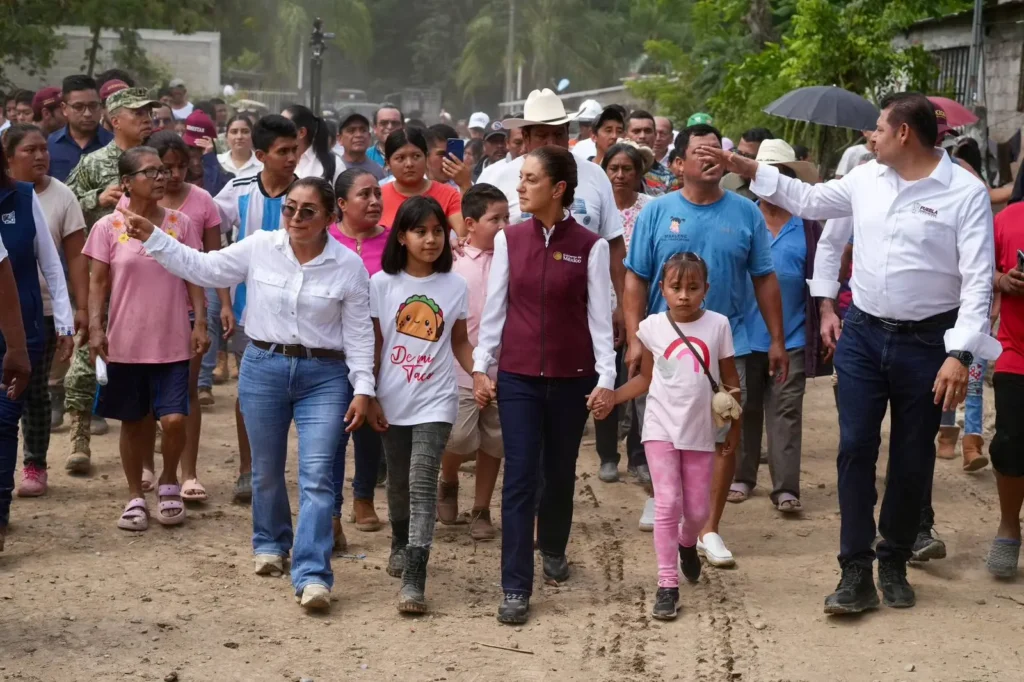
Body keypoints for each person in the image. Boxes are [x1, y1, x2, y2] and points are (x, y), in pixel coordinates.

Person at [697, 92, 1001, 613]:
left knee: (911, 456)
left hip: (930, 343)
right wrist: (743, 165)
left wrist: (959, 354)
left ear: (904, 133)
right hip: (863, 334)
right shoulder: (865, 179)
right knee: (855, 449)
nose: (870, 135)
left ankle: (894, 558)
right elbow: (810, 201)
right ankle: (855, 569)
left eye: (879, 127)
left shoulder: (964, 194)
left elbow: (976, 285)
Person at [125, 176, 374, 612]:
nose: (296, 217)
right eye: (290, 208)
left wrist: (364, 388)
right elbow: (204, 267)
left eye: (308, 211)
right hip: (263, 366)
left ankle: (313, 573)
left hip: (326, 374)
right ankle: (270, 542)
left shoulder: (349, 267)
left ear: (330, 218)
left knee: (317, 474)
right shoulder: (260, 246)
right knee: (265, 468)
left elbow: (358, 335)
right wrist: (153, 236)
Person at [625, 123, 786, 567]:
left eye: (718, 150)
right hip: (666, 350)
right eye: (700, 151)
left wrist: (776, 339)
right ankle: (667, 502)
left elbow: (764, 278)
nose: (711, 157)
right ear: (678, 164)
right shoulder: (657, 213)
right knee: (666, 433)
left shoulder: (747, 213)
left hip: (728, 344)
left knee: (722, 434)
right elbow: (636, 276)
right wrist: (636, 338)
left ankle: (709, 528)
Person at [473, 146, 616, 625]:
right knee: (519, 479)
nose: (520, 187)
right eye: (521, 178)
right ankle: (515, 585)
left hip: (573, 379)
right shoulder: (510, 240)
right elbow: (495, 310)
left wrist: (607, 376)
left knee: (558, 471)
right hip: (517, 378)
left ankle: (553, 545)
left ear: (557, 189)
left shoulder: (591, 246)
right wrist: (482, 365)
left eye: (530, 179)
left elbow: (599, 320)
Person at [593, 252, 741, 620]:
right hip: (659, 428)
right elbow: (644, 379)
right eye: (675, 288)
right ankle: (667, 584)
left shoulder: (719, 325)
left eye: (693, 288)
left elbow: (731, 385)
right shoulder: (652, 327)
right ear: (662, 289)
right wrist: (613, 397)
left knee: (697, 510)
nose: (684, 296)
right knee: (667, 502)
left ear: (706, 289)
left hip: (701, 433)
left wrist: (734, 429)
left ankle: (687, 543)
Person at [82, 146, 206, 531]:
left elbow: (193, 274)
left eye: (162, 171)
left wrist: (200, 321)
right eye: (149, 172)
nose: (160, 177)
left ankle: (169, 479)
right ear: (126, 182)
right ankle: (135, 494)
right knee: (134, 422)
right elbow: (97, 282)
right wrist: (97, 328)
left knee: (172, 420)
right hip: (126, 341)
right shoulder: (106, 227)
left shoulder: (179, 224)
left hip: (172, 340)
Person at [372, 196, 474, 614]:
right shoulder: (381, 284)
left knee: (421, 482)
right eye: (420, 231)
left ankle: (416, 576)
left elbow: (460, 341)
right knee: (397, 481)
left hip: (436, 400)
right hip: (391, 398)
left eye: (438, 231)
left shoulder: (455, 285)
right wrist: (369, 393)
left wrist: (481, 372)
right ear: (402, 237)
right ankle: (399, 541)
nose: (431, 239)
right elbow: (375, 343)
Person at [477, 89, 626, 344]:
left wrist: (622, 306)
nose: (552, 142)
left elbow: (614, 244)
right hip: (519, 314)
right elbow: (478, 242)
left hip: (586, 313)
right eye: (542, 135)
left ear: (569, 132)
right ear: (525, 137)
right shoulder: (498, 178)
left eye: (559, 133)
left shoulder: (595, 175)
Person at [131, 131, 231, 502]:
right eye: (163, 167)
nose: (172, 174)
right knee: (142, 396)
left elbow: (213, 261)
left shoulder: (202, 202)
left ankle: (188, 472)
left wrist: (221, 306)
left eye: (178, 166)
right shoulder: (130, 207)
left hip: (187, 310)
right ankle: (144, 466)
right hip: (141, 312)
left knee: (186, 391)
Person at [64, 87, 157, 473]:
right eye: (138, 113)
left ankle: (154, 433)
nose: (147, 118)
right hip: (104, 269)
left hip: (150, 271)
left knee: (154, 351)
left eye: (150, 112)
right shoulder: (94, 162)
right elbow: (63, 200)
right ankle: (79, 436)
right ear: (115, 120)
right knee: (88, 351)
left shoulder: (159, 158)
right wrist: (96, 198)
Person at [731, 139, 826, 514]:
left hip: (794, 337)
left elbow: (822, 277)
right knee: (743, 407)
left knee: (785, 410)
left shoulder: (808, 227)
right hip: (743, 336)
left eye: (778, 176)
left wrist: (827, 318)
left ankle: (785, 488)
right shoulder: (742, 218)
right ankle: (742, 475)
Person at [213, 114, 300, 503]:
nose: (291, 158)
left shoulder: (308, 193)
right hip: (250, 310)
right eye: (283, 151)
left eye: (295, 149)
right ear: (262, 155)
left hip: (296, 310)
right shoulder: (240, 188)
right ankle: (249, 470)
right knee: (249, 392)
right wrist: (225, 300)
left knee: (291, 391)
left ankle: (272, 469)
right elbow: (210, 230)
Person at [0, 143, 75, 549]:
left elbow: (50, 262)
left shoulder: (23, 198)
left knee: (6, 418)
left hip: (23, 329)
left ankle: (2, 510)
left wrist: (64, 320)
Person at [437, 184, 509, 540]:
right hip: (459, 369)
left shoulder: (512, 257)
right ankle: (448, 479)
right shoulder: (452, 260)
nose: (503, 225)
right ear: (470, 223)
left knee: (494, 441)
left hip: (503, 366)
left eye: (507, 218)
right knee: (460, 437)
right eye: (495, 219)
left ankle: (481, 508)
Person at [327, 169, 388, 542]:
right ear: (341, 203)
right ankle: (331, 512)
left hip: (380, 349)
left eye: (378, 194)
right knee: (333, 431)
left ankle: (363, 497)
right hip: (331, 352)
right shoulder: (325, 240)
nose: (375, 201)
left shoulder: (395, 241)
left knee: (370, 428)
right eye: (365, 194)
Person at [596, 141, 653, 484]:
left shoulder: (652, 209)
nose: (619, 175)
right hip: (600, 310)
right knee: (606, 379)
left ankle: (638, 454)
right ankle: (607, 454)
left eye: (626, 169)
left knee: (640, 382)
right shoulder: (594, 208)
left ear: (638, 173)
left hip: (644, 311)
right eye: (613, 168)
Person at [988, 193, 1024, 578]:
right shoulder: (1009, 218)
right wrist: (1004, 280)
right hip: (1016, 350)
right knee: (1011, 444)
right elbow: (979, 270)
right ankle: (1009, 525)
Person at [380, 128, 464, 234]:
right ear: (388, 163)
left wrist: (464, 185)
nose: (409, 164)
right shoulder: (378, 198)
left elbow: (464, 234)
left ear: (426, 157)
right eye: (400, 158)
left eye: (416, 156)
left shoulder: (448, 194)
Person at [47, 75, 112, 183]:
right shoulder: (49, 145)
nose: (87, 113)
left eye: (93, 105)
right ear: (64, 108)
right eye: (78, 107)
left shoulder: (114, 145)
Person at [282, 104, 344, 183]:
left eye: (284, 126)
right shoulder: (273, 159)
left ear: (301, 132)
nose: (278, 131)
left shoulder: (333, 163)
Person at [626, 110, 675, 195]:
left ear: (655, 135)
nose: (642, 136)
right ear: (625, 135)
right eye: (636, 131)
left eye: (648, 131)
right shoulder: (613, 169)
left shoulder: (668, 176)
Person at [336, 112, 385, 180]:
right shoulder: (333, 170)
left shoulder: (379, 171)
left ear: (369, 137)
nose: (359, 135)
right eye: (351, 131)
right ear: (340, 139)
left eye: (363, 130)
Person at [217, 114, 263, 179]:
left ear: (253, 135)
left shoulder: (262, 165)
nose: (239, 136)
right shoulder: (217, 162)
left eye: (245, 132)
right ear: (226, 136)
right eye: (234, 132)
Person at [368, 103, 403, 169]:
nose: (390, 127)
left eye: (395, 123)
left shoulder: (413, 157)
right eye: (384, 123)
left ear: (403, 127)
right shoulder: (365, 157)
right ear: (375, 128)